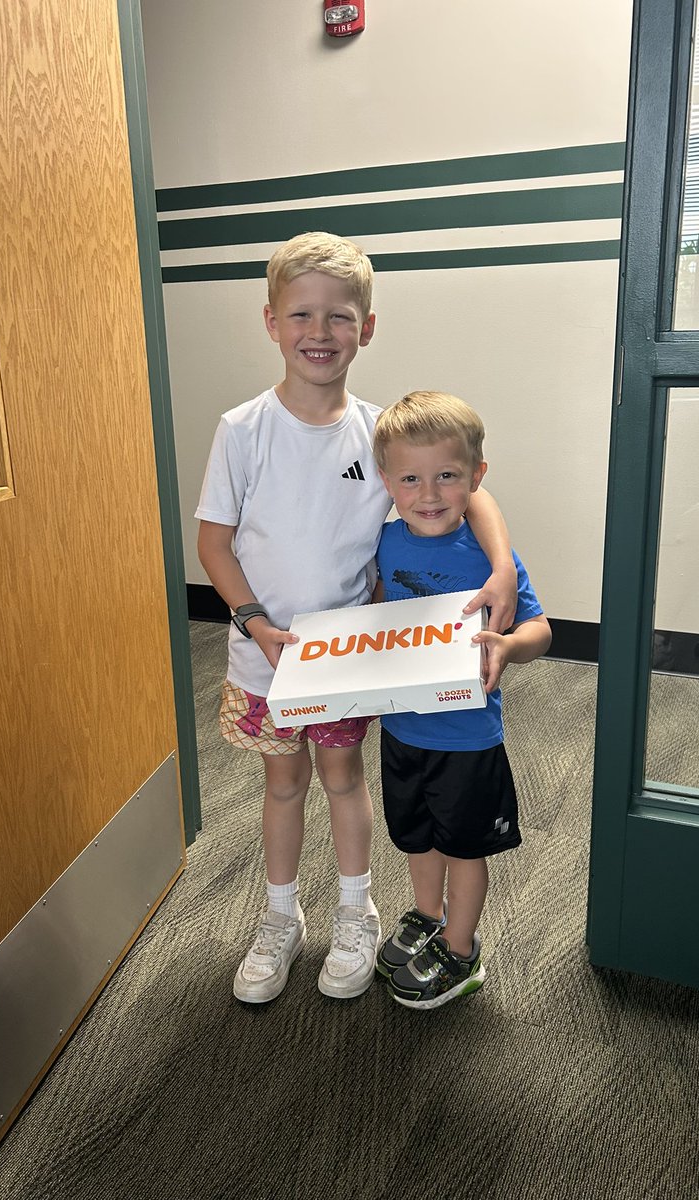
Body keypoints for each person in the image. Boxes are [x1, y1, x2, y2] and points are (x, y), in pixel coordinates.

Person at [195, 233, 519, 1005]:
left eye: (339, 316)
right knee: (282, 785)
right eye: (301, 315)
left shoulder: (378, 434)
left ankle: (355, 912)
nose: (320, 332)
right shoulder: (242, 429)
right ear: (271, 322)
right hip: (264, 660)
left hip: (346, 662)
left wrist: (502, 564)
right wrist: (253, 621)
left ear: (366, 328)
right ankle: (280, 918)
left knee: (343, 780)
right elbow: (213, 541)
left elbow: (469, 488)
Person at [371, 391, 552, 1009]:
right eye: (410, 479)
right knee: (417, 838)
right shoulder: (385, 544)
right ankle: (428, 915)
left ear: (476, 477)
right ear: (387, 483)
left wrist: (507, 645)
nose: (428, 493)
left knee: (464, 847)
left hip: (468, 738)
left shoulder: (488, 557)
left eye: (447, 476)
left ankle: (461, 947)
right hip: (402, 730)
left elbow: (540, 631)